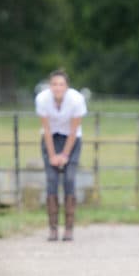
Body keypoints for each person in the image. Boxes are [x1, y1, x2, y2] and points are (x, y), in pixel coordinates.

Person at [35, 70, 87, 241]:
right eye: (54, 84)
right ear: (50, 86)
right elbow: (47, 130)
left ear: (67, 86)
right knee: (51, 180)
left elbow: (74, 130)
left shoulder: (77, 100)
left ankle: (69, 228)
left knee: (69, 180)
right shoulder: (42, 99)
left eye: (61, 84)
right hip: (51, 140)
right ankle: (53, 229)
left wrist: (65, 154)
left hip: (71, 140)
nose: (57, 88)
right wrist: (52, 155)